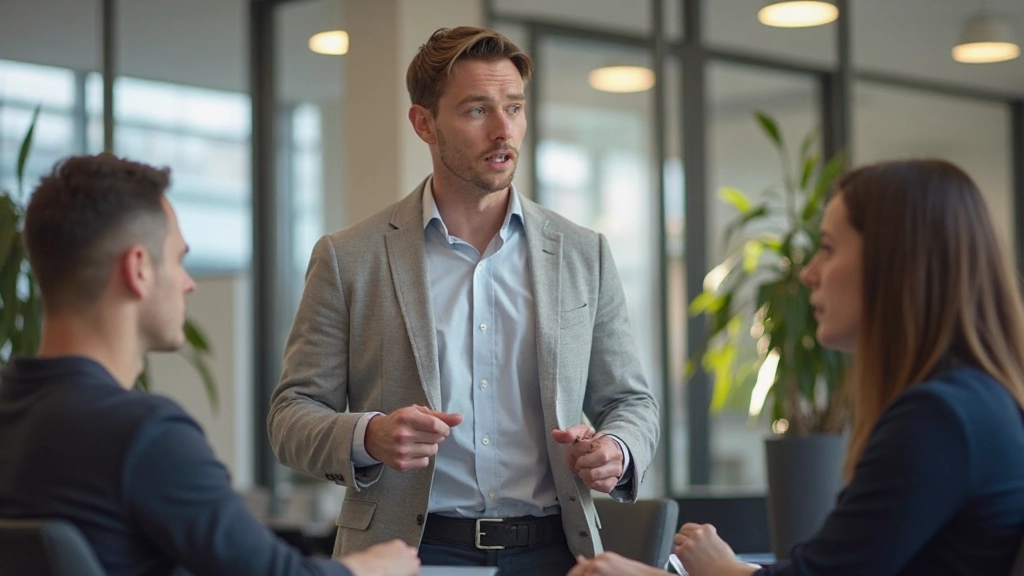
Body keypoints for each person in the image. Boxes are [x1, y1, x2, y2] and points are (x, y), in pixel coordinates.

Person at [267, 26, 659, 576]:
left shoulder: (582, 253)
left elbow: (632, 402)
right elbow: (290, 416)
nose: (504, 130)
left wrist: (616, 449)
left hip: (558, 551)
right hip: (410, 552)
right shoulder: (348, 257)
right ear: (423, 123)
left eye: (514, 108)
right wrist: (369, 435)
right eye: (478, 110)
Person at [568, 158, 1024, 576]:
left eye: (828, 248)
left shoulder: (939, 418)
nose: (809, 274)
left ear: (895, 262)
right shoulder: (973, 402)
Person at [0, 153, 420, 576]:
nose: (189, 283)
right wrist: (373, 568)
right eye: (179, 259)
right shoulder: (143, 436)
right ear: (139, 268)